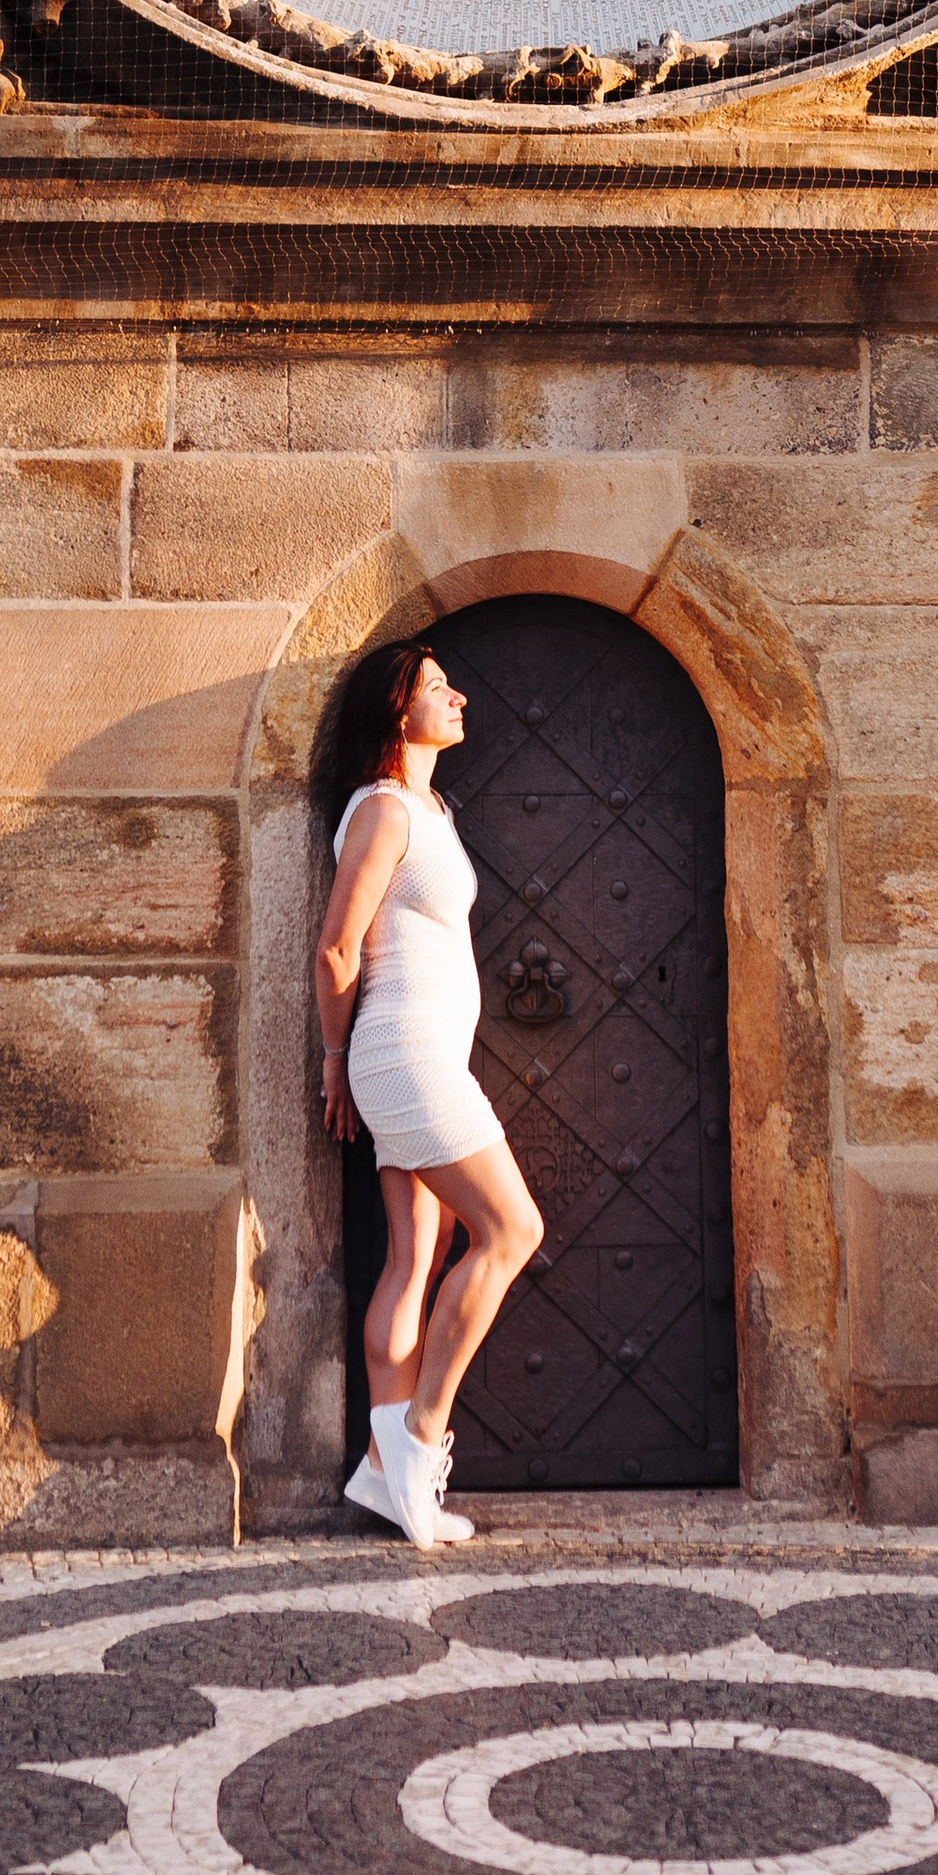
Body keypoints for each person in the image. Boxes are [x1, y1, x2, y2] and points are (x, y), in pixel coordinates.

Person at [315, 639, 544, 1550]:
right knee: (511, 1229)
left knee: (417, 1256)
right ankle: (417, 1436)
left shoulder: (424, 806)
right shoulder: (383, 811)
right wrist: (335, 1057)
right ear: (394, 711)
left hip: (417, 1053)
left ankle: (381, 1475)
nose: (457, 699)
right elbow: (338, 948)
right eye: (436, 688)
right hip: (403, 1055)